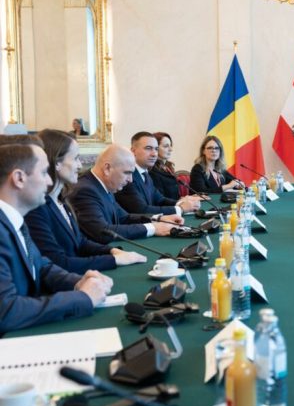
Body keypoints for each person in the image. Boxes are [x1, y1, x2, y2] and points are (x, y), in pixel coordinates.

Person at [0, 142, 112, 333]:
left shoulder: (14, 219)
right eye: (44, 173)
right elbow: (6, 311)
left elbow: (40, 266)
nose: (49, 181)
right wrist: (82, 298)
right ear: (19, 178)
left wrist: (76, 282)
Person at [24, 130, 146, 275]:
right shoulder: (37, 208)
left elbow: (80, 242)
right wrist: (114, 260)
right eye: (76, 158)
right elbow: (59, 262)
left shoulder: (61, 199)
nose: (80, 165)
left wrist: (111, 250)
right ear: (57, 162)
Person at [68, 144, 183, 244]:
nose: (130, 180)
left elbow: (124, 217)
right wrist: (152, 228)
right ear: (107, 168)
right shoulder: (85, 190)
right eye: (127, 173)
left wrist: (158, 219)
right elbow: (102, 232)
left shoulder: (103, 184)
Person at [115, 132, 200, 215]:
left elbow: (160, 199)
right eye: (148, 148)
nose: (154, 154)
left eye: (156, 149)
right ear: (133, 151)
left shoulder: (145, 174)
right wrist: (180, 209)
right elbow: (141, 210)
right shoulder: (127, 177)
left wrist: (181, 203)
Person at [149, 132, 181, 200]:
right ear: (155, 148)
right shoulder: (152, 170)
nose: (171, 149)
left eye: (170, 146)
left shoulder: (168, 167)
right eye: (166, 146)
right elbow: (160, 199)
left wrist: (186, 199)